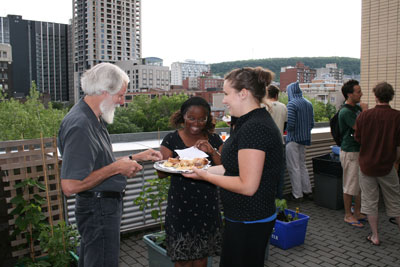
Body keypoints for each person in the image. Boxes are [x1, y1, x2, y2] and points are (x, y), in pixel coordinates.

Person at [58, 63, 162, 267]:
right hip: (98, 210)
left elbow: (97, 164)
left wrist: (135, 158)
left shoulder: (95, 117)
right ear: (104, 92)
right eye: (120, 95)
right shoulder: (81, 125)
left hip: (101, 208)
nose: (122, 102)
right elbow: (70, 186)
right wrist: (117, 168)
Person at [184, 67, 283, 267]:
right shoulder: (247, 123)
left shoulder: (254, 128)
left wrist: (205, 177)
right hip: (242, 218)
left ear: (243, 93)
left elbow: (247, 185)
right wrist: (198, 171)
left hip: (250, 220)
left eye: (227, 94)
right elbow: (232, 168)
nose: (225, 100)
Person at [158, 96, 223, 267]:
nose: (197, 123)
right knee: (182, 259)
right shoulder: (171, 139)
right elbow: (161, 173)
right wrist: (177, 161)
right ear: (183, 116)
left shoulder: (214, 139)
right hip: (180, 206)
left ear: (208, 119)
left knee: (202, 258)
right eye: (191, 118)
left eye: (202, 119)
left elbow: (226, 170)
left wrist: (212, 151)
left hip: (207, 205)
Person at [354, 82, 400, 245]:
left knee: (369, 201)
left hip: (367, 165)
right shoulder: (397, 116)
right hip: (388, 166)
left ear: (376, 96)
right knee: (394, 201)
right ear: (391, 96)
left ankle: (375, 236)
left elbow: (358, 138)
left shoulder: (364, 116)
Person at [338, 79, 368, 228]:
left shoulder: (356, 109)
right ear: (349, 94)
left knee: (359, 185)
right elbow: (360, 128)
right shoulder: (345, 111)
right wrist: (365, 111)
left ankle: (357, 212)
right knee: (350, 185)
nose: (361, 94)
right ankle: (348, 215)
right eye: (358, 92)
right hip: (350, 152)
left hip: (359, 151)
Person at [285, 81, 314, 201]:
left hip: (293, 139)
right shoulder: (308, 103)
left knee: (294, 167)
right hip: (304, 139)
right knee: (302, 165)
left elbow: (290, 124)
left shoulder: (292, 104)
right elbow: (312, 123)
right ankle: (307, 191)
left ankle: (297, 195)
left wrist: (286, 130)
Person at [263, 84, 287, 199]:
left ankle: (266, 199)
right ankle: (279, 200)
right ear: (277, 95)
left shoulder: (263, 106)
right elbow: (285, 125)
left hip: (265, 145)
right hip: (280, 143)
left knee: (265, 174)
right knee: (280, 173)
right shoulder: (283, 107)